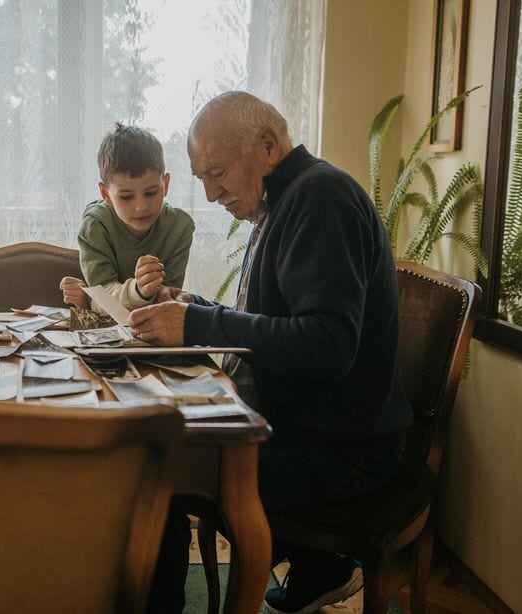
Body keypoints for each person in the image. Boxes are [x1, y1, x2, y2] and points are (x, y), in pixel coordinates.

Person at [128, 92, 413, 613]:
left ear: (267, 145)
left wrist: (195, 321)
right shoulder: (289, 198)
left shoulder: (321, 200)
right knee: (161, 455)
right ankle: (319, 567)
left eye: (217, 172)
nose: (212, 194)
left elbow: (327, 347)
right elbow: (282, 322)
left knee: (158, 474)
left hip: (345, 450)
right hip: (318, 427)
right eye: (201, 178)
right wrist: (195, 306)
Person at [60, 123, 195, 312]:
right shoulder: (95, 227)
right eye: (126, 197)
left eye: (151, 192)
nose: (141, 207)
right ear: (105, 193)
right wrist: (138, 291)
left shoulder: (180, 227)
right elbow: (102, 297)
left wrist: (163, 294)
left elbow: (169, 297)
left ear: (165, 184)